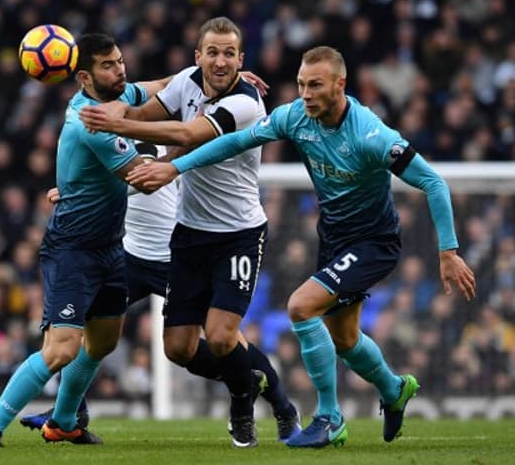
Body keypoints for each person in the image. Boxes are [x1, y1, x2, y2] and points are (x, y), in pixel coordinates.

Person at [126, 45, 476, 448]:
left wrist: (448, 252)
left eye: (315, 85)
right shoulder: (295, 117)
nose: (305, 93)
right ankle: (395, 389)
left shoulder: (371, 134)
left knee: (300, 306)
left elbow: (433, 182)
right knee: (345, 340)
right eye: (300, 84)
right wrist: (176, 166)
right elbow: (234, 142)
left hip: (373, 241)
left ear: (340, 85)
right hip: (334, 238)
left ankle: (328, 417)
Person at [81, 16, 301, 448]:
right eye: (212, 52)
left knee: (221, 337)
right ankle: (246, 382)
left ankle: (266, 402)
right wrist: (116, 107)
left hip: (238, 233)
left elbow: (186, 133)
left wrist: (118, 121)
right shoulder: (186, 83)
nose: (220, 61)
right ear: (198, 55)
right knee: (178, 349)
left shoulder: (247, 103)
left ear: (242, 59)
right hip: (189, 234)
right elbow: (148, 114)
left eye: (229, 53)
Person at [0, 32, 172, 447]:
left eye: (120, 61)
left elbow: (155, 87)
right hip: (72, 250)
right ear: (83, 76)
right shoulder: (92, 122)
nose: (120, 70)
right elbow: (144, 179)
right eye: (108, 65)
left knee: (102, 343)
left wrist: (197, 76)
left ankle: (64, 422)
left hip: (110, 248)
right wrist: (205, 145)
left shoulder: (111, 96)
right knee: (62, 348)